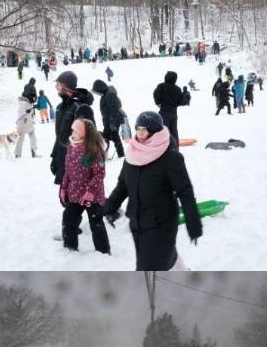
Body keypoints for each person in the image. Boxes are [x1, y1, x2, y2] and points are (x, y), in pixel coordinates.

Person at [103, 111, 202, 270]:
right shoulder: (132, 155)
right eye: (138, 129)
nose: (140, 134)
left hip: (161, 224)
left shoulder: (171, 158)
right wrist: (108, 208)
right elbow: (122, 186)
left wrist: (193, 223)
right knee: (161, 259)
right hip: (137, 222)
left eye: (145, 129)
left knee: (147, 268)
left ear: (155, 131)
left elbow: (185, 192)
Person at [59, 119, 110, 254]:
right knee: (68, 220)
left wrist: (90, 192)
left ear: (83, 134)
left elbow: (99, 174)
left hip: (91, 197)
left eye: (76, 131)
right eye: (73, 130)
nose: (73, 133)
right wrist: (63, 188)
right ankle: (70, 248)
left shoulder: (93, 150)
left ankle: (103, 252)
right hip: (74, 194)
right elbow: (67, 171)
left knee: (96, 224)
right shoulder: (71, 147)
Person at [51, 71, 95, 185]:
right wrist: (55, 157)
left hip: (78, 166)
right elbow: (60, 136)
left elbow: (91, 140)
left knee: (75, 201)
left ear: (65, 86)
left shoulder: (80, 108)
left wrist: (85, 167)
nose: (56, 87)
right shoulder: (60, 108)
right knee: (65, 199)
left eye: (58, 84)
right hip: (63, 161)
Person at [91, 79, 125, 158]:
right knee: (112, 138)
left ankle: (105, 155)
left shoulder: (109, 95)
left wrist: (112, 122)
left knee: (107, 137)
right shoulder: (106, 94)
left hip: (112, 122)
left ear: (100, 88)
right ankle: (120, 154)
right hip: (110, 122)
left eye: (96, 91)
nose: (96, 93)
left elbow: (114, 109)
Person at [153, 71, 184, 142]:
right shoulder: (178, 89)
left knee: (163, 131)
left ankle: (164, 149)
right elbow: (180, 101)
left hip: (164, 111)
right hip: (174, 113)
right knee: (174, 131)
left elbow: (155, 94)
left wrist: (158, 102)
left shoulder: (161, 86)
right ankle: (175, 149)